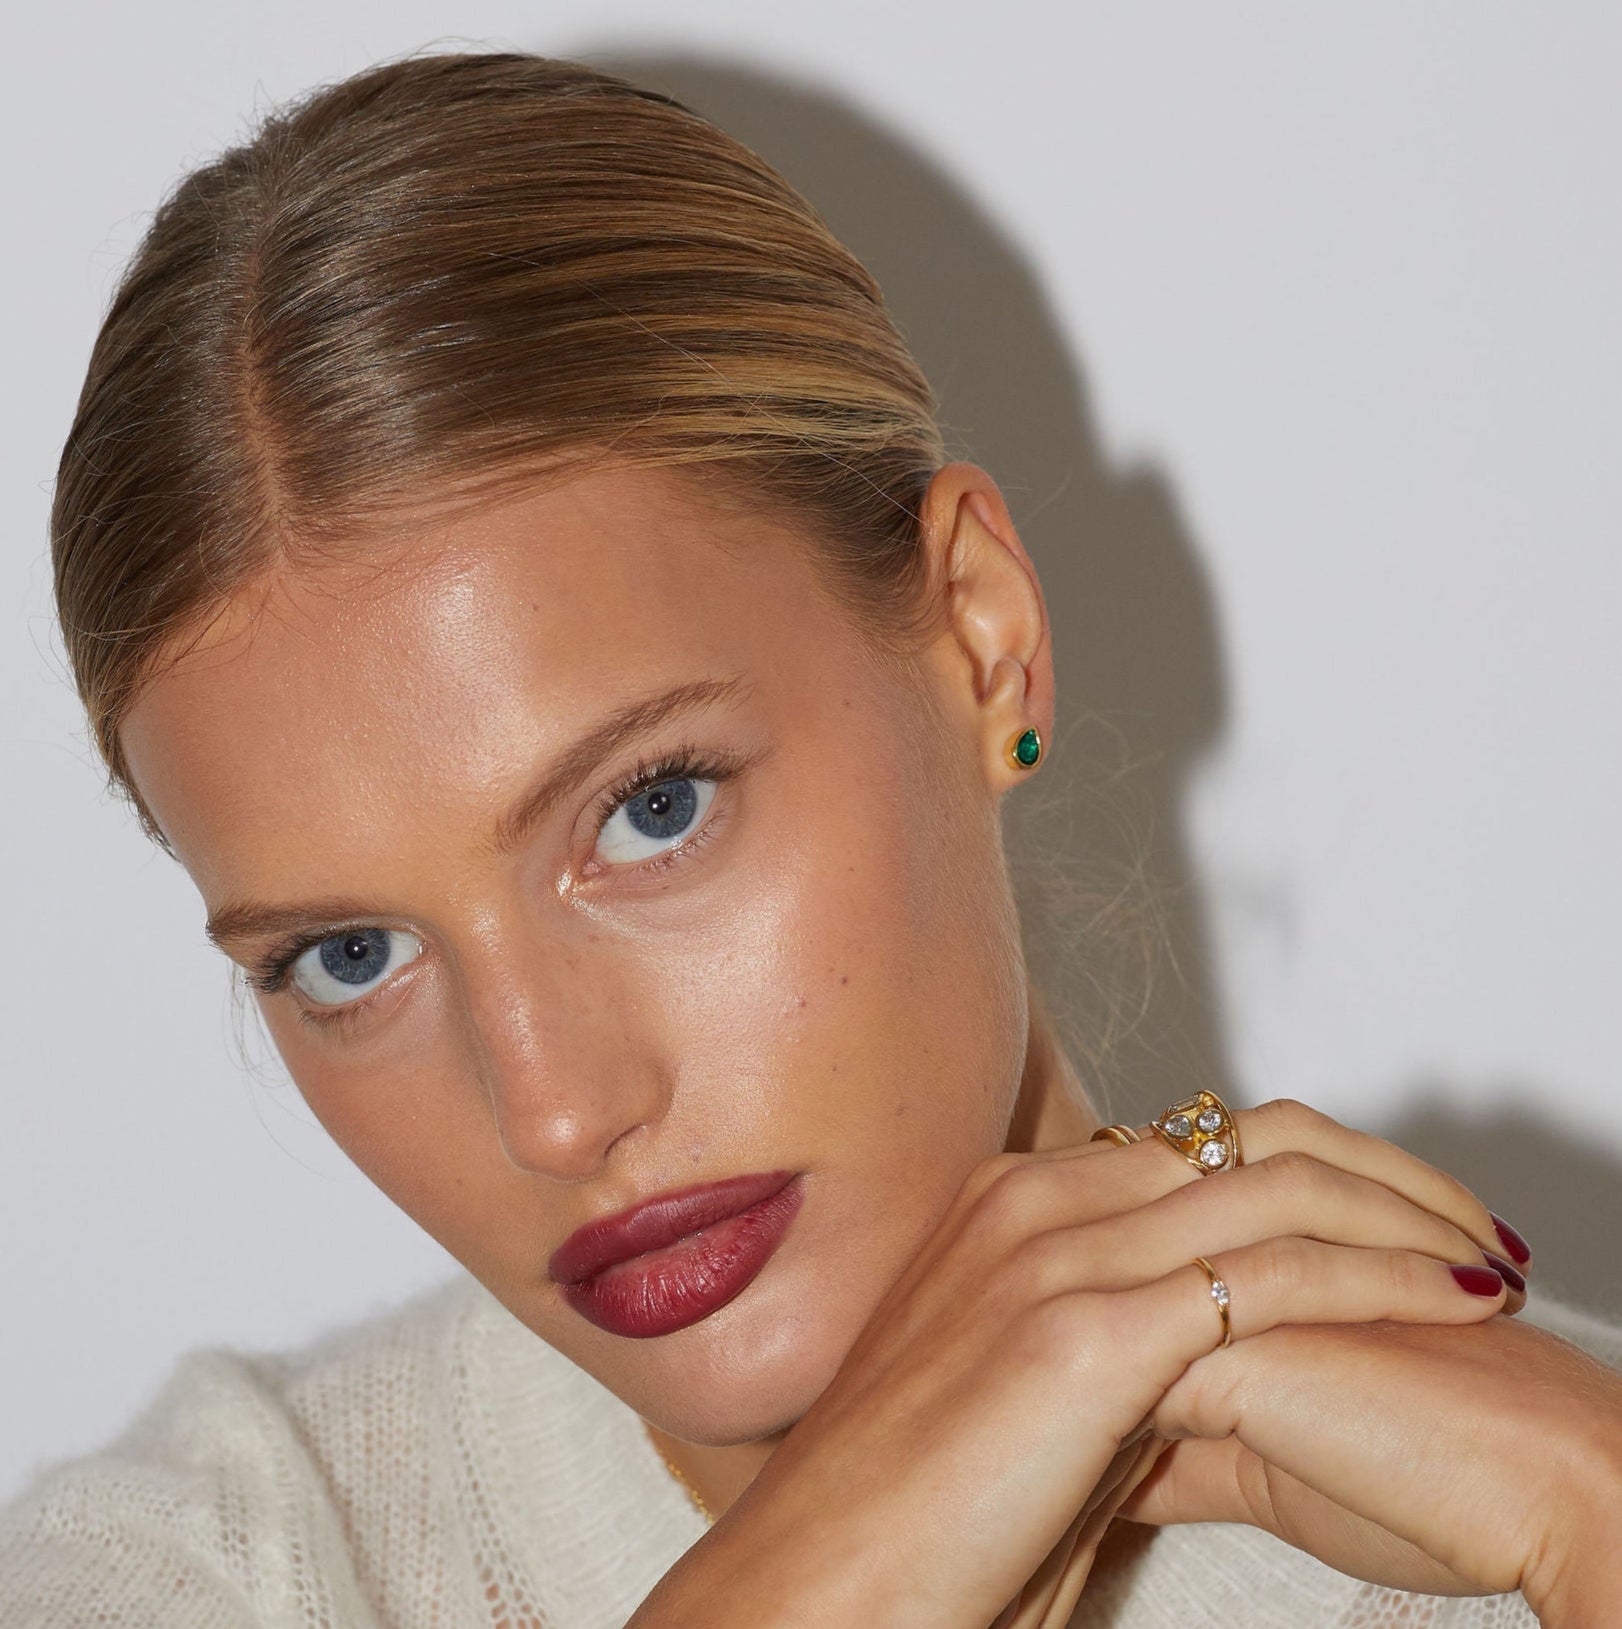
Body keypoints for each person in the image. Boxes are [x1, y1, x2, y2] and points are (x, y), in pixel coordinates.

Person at [4, 48, 1619, 1629]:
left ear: (980, 642)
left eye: (650, 809)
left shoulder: (1548, 1502)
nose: (558, 1109)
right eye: (347, 956)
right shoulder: (195, 1574)